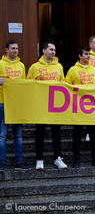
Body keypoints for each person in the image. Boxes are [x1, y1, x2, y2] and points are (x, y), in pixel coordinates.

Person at [27, 41, 67, 169]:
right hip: (41, 105)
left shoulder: (59, 66)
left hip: (55, 105)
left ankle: (58, 158)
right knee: (40, 132)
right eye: (51, 49)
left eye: (54, 50)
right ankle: (39, 159)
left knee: (56, 132)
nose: (53, 52)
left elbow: (63, 83)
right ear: (44, 51)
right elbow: (27, 85)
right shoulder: (34, 67)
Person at [64, 46, 95, 167]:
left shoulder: (94, 70)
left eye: (89, 54)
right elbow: (67, 85)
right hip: (78, 106)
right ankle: (76, 159)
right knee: (77, 134)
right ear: (80, 56)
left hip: (91, 107)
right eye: (86, 54)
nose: (88, 56)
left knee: (93, 134)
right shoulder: (73, 70)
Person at [0, 40, 29, 170]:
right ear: (6, 50)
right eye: (12, 48)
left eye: (17, 48)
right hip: (3, 102)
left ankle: (19, 161)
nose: (15, 50)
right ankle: (2, 162)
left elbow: (23, 83)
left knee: (18, 135)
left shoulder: (21, 65)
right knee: (2, 135)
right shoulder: (0, 64)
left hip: (17, 104)